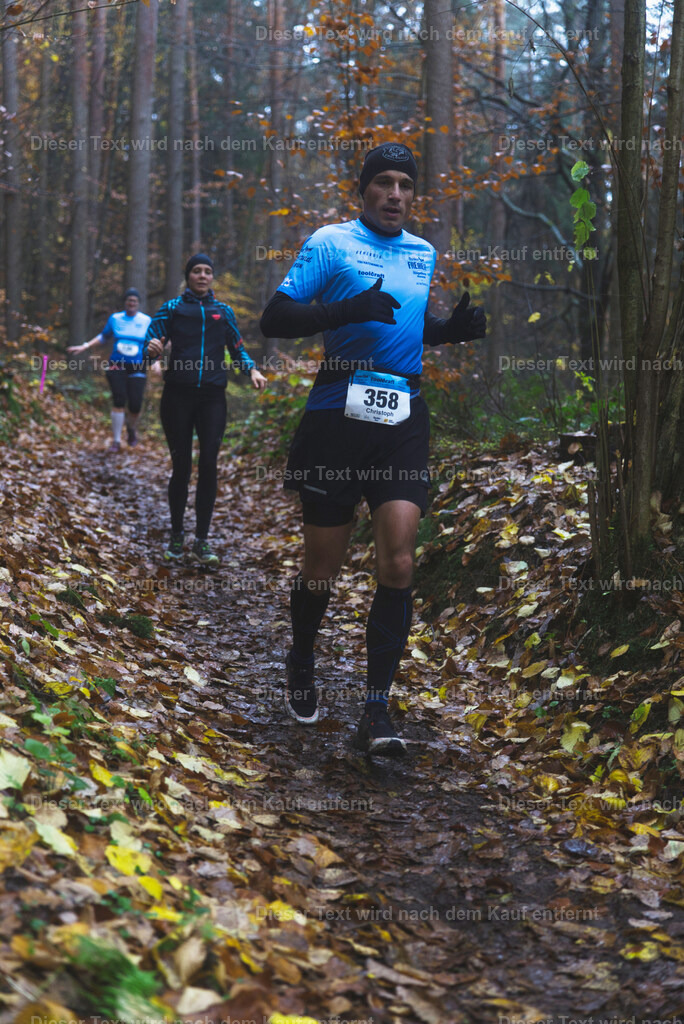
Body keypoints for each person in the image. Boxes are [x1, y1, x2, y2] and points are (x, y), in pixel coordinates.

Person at [259, 142, 486, 755]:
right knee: (322, 567)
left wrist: (448, 332)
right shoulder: (331, 243)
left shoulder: (422, 253)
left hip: (403, 419)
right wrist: (344, 307)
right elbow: (273, 319)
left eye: (405, 185)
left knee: (400, 561)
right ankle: (302, 655)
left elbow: (404, 326)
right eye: (382, 182)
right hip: (337, 416)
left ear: (414, 195)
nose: (394, 194)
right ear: (364, 191)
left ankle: (377, 709)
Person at [144, 254, 267, 568]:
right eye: (196, 271)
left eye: (208, 271)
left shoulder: (222, 312)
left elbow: (237, 346)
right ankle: (176, 536)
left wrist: (251, 370)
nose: (202, 275)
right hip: (177, 396)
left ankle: (201, 539)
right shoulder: (172, 308)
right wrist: (151, 351)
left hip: (213, 396)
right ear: (188, 276)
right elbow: (150, 341)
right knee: (181, 465)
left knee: (209, 463)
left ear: (212, 277)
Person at [68, 288, 151, 453]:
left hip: (138, 366)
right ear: (125, 303)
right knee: (118, 400)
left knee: (135, 405)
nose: (131, 303)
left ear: (138, 304)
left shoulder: (146, 320)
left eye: (135, 301)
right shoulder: (116, 319)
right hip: (116, 365)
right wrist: (85, 346)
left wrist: (156, 360)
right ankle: (116, 440)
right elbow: (103, 337)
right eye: (129, 300)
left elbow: (153, 341)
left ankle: (131, 428)